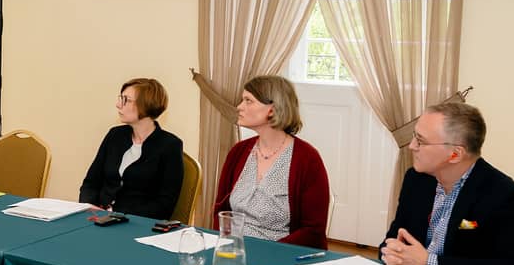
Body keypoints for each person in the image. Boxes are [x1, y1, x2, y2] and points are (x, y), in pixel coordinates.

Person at [380, 102, 514, 265]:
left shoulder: (504, 196)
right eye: (414, 136)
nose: (411, 146)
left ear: (455, 154)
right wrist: (392, 253)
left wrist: (429, 264)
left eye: (421, 141)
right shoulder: (416, 180)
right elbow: (393, 238)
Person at [212, 75, 329, 249]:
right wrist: (227, 246)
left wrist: (267, 252)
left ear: (272, 110)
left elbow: (313, 231)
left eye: (248, 101)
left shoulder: (307, 159)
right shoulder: (238, 152)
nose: (239, 107)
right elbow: (220, 212)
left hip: (281, 254)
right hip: (233, 250)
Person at [79, 78, 184, 220]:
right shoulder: (114, 135)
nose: (118, 105)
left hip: (136, 223)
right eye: (120, 99)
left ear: (146, 105)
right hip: (98, 218)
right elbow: (91, 183)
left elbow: (164, 205)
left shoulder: (170, 145)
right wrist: (89, 207)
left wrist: (117, 215)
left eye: (126, 100)